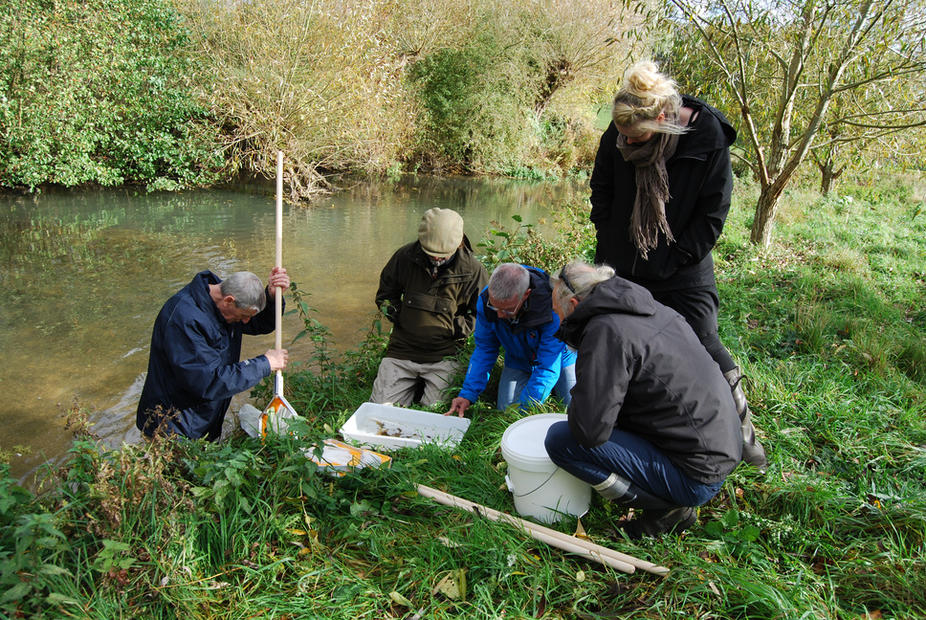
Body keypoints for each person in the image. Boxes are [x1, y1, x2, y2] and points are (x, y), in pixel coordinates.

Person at [589, 59, 766, 470]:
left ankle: (742, 433)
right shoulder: (619, 134)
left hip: (684, 267)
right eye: (622, 136)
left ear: (664, 118)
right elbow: (602, 192)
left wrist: (674, 260)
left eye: (637, 138)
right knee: (619, 342)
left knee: (704, 342)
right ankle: (634, 432)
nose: (627, 145)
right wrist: (610, 243)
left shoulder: (707, 142)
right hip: (624, 264)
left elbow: (712, 215)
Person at [544, 261, 742, 537]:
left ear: (575, 305)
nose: (558, 319)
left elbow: (588, 431)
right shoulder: (646, 306)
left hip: (697, 476)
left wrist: (581, 393)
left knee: (560, 440)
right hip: (723, 445)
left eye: (557, 311)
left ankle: (668, 509)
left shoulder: (604, 331)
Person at [136, 267, 290, 440]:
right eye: (244, 316)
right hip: (174, 425)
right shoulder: (185, 320)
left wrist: (272, 297)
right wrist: (264, 364)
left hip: (201, 418)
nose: (246, 321)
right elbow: (206, 382)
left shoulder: (223, 302)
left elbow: (259, 324)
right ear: (229, 300)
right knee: (179, 467)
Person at [371, 208, 488, 406]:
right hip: (402, 351)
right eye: (431, 254)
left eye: (442, 255)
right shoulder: (404, 257)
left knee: (434, 410)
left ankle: (420, 390)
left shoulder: (473, 270)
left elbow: (482, 315)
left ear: (458, 243)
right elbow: (385, 297)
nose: (436, 259)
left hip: (444, 355)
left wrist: (453, 329)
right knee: (380, 410)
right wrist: (403, 318)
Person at [446, 263, 576, 417]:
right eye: (496, 308)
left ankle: (552, 391)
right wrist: (467, 394)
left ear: (526, 294)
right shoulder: (486, 302)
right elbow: (485, 349)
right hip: (518, 359)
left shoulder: (551, 309)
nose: (500, 315)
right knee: (507, 413)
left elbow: (547, 366)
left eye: (508, 309)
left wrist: (527, 408)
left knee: (573, 408)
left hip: (559, 359)